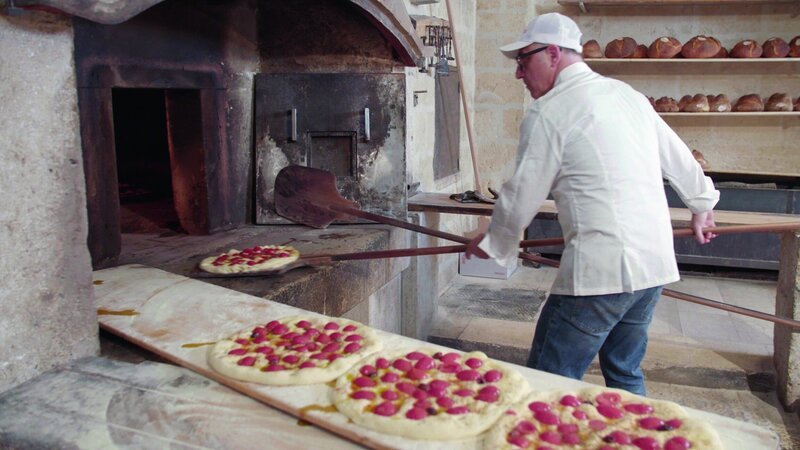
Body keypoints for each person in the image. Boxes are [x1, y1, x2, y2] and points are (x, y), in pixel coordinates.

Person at [465, 13, 720, 396]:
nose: (519, 74)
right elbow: (679, 157)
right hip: (653, 267)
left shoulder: (550, 110)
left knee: (548, 384)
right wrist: (702, 203)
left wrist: (492, 244)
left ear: (552, 53)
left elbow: (522, 194)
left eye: (523, 61)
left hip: (600, 274)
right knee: (625, 374)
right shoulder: (627, 95)